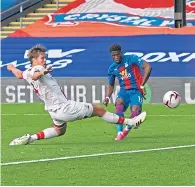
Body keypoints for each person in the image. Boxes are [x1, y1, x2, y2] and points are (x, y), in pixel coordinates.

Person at [7, 44, 147, 146]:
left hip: (53, 111)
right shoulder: (37, 69)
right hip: (64, 107)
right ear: (34, 60)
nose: (44, 60)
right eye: (42, 58)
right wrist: (42, 72)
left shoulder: (26, 71)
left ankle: (30, 138)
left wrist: (11, 67)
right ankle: (131, 122)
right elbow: (36, 75)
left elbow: (19, 75)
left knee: (59, 130)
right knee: (98, 110)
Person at [103, 44, 152, 140]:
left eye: (117, 54)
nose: (116, 57)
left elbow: (148, 67)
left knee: (135, 110)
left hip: (136, 91)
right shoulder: (112, 68)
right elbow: (111, 85)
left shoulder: (131, 59)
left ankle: (125, 131)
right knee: (118, 102)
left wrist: (142, 85)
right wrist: (107, 97)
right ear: (111, 55)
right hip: (123, 91)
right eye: (113, 55)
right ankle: (119, 132)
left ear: (121, 52)